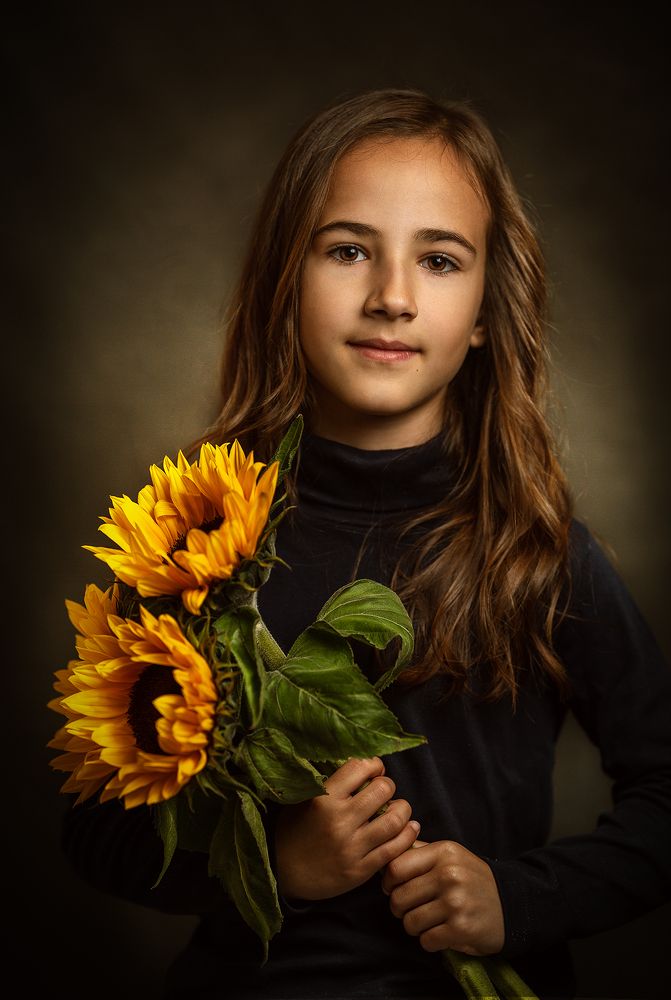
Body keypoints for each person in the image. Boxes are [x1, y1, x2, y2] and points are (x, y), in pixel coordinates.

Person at [56, 88, 671, 1000]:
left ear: (482, 315)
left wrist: (518, 898)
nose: (391, 296)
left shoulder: (535, 556)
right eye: (348, 250)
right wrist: (272, 863)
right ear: (284, 281)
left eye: (438, 259)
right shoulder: (192, 544)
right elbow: (94, 834)